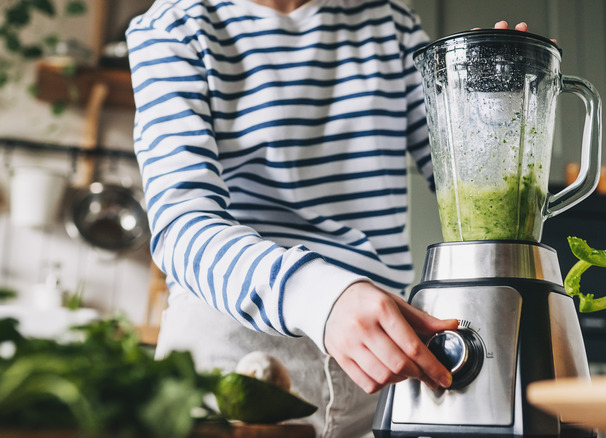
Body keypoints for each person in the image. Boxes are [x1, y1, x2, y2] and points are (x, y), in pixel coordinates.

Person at [126, 1, 529, 436]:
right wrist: (321, 297)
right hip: (232, 359)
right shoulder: (174, 27)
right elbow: (181, 224)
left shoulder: (390, 21)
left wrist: (491, 100)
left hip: (382, 364)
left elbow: (460, 169)